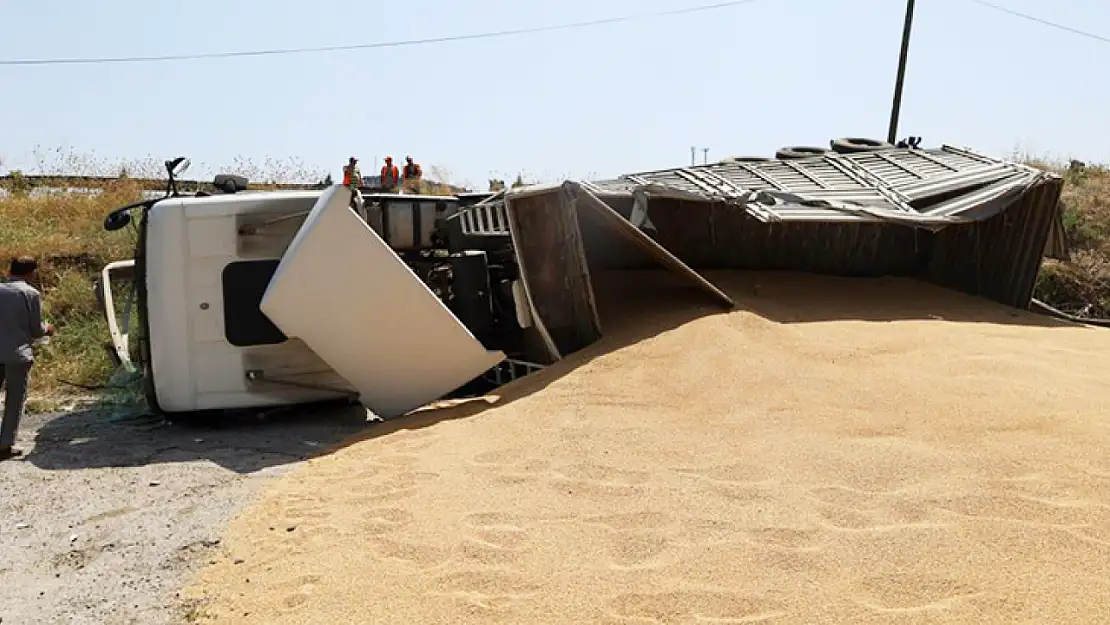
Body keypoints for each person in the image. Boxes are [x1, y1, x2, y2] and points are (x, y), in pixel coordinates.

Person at [0, 256, 54, 460]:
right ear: (31, 273)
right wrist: (48, 329)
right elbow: (36, 330)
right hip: (17, 354)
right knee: (14, 400)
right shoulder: (30, 293)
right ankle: (4, 445)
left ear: (10, 271)